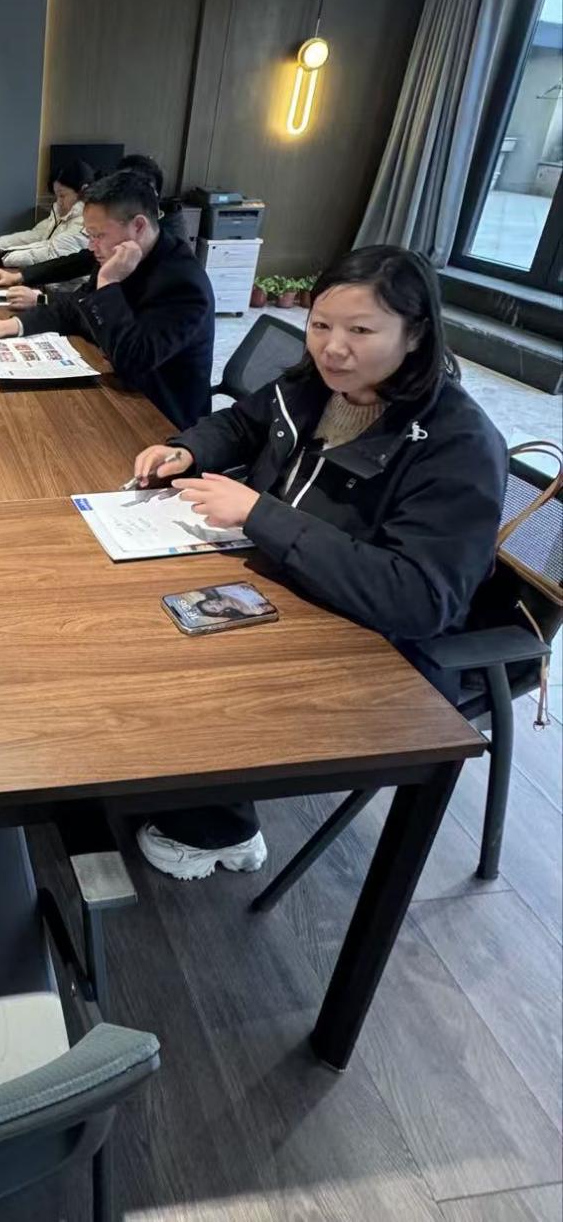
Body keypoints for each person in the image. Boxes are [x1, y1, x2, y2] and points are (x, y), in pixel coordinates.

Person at [130, 244, 507, 881]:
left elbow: (418, 598)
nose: (333, 348)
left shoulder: (457, 443)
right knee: (132, 617)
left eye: (361, 331)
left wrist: (260, 514)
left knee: (183, 671)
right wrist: (187, 449)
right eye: (320, 324)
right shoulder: (314, 384)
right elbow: (244, 425)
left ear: (415, 334)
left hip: (376, 644)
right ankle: (177, 788)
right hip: (285, 574)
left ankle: (218, 826)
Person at [0, 168, 214, 430]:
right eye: (90, 235)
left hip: (161, 418)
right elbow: (77, 306)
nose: (91, 246)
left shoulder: (183, 283)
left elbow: (133, 360)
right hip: (116, 394)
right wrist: (15, 325)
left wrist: (108, 283)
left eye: (98, 235)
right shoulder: (117, 255)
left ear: (139, 226)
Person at [0, 154, 167, 306]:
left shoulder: (172, 276)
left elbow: (115, 321)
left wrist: (108, 283)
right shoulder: (112, 236)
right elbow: (78, 270)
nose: (92, 245)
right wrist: (23, 276)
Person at [0, 158, 95, 271]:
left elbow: (51, 252)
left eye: (62, 195)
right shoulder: (63, 213)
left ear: (83, 190)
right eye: (56, 196)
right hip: (41, 280)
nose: (58, 202)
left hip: (64, 290)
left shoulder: (87, 222)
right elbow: (35, 236)